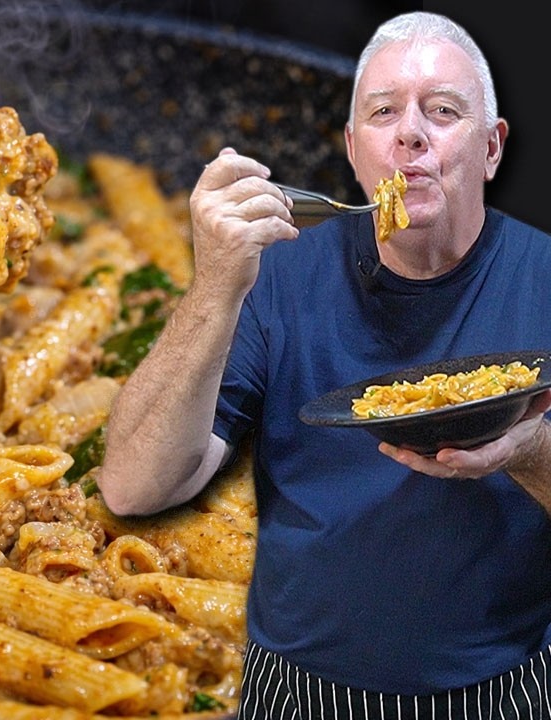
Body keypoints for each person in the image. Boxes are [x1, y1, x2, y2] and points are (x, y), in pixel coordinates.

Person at [97, 10, 551, 716]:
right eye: (382, 112)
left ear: (492, 149)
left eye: (443, 110)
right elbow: (131, 487)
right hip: (295, 691)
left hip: (502, 691)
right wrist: (215, 284)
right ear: (352, 148)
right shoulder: (277, 276)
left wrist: (530, 450)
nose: (409, 132)